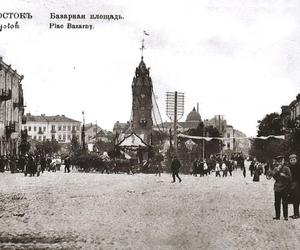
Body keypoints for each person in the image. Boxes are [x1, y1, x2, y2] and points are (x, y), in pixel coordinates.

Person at [270, 156, 292, 220]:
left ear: (283, 161)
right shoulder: (275, 168)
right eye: (278, 161)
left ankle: (285, 216)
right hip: (277, 188)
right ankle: (277, 216)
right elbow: (273, 176)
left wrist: (284, 175)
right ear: (277, 162)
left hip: (285, 187)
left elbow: (290, 178)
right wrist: (277, 170)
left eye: (281, 161)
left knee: (285, 202)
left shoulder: (287, 168)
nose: (280, 162)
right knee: (277, 203)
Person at [288, 154, 300, 219]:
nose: (292, 161)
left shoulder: (298, 166)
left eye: (294, 160)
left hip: (297, 185)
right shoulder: (289, 167)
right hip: (293, 186)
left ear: (296, 160)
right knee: (295, 200)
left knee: (296, 200)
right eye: (291, 160)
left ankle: (297, 214)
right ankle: (296, 213)